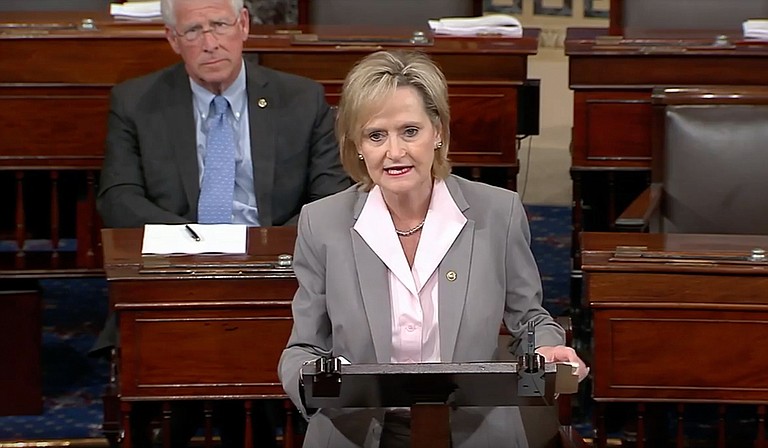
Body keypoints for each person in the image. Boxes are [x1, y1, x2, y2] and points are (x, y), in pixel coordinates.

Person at [278, 50, 589, 448]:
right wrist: (315, 379)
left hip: (476, 430)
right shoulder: (322, 223)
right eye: (376, 135)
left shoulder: (498, 213)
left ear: (437, 131)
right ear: (357, 145)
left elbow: (528, 319)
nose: (394, 152)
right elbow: (303, 347)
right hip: (356, 431)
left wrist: (545, 349)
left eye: (410, 131)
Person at [93, 0, 350, 445]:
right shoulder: (137, 101)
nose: (210, 43)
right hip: (180, 271)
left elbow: (330, 196)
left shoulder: (301, 98)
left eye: (219, 25)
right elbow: (117, 198)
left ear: (244, 25)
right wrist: (199, 241)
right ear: (173, 40)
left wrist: (259, 245)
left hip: (277, 271)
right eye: (193, 31)